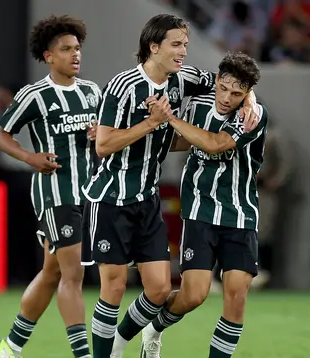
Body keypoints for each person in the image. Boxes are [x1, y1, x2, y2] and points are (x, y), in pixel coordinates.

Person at [81, 14, 259, 358]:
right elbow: (102, 145)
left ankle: (126, 340)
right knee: (114, 287)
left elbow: (231, 81)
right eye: (176, 45)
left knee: (161, 289)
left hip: (147, 199)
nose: (183, 52)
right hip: (111, 198)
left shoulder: (183, 79)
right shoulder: (123, 86)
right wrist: (151, 122)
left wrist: (249, 101)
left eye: (186, 45)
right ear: (154, 47)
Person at [136, 52, 265, 358]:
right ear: (217, 81)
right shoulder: (198, 101)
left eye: (237, 94)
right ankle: (154, 328)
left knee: (236, 297)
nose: (227, 98)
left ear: (246, 94)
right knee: (194, 295)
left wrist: (169, 118)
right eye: (224, 89)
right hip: (200, 209)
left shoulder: (252, 115)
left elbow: (215, 143)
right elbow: (177, 139)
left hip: (240, 212)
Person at [0, 15, 101, 358]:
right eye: (66, 49)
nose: (75, 55)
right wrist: (29, 158)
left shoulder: (91, 92)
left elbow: (103, 137)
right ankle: (84, 355)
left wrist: (101, 135)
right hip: (56, 194)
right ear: (48, 56)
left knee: (51, 273)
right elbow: (0, 134)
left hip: (89, 193)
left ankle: (10, 347)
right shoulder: (34, 95)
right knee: (74, 275)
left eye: (77, 48)